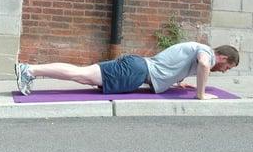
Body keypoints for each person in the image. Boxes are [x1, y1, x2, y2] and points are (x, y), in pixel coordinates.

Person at [15, 42, 239, 100]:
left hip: (136, 71)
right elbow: (203, 64)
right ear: (223, 57)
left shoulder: (200, 50)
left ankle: (31, 71)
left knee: (82, 76)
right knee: (81, 74)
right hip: (136, 70)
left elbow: (170, 65)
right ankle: (30, 70)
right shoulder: (206, 53)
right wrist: (200, 94)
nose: (224, 71)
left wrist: (177, 81)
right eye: (227, 67)